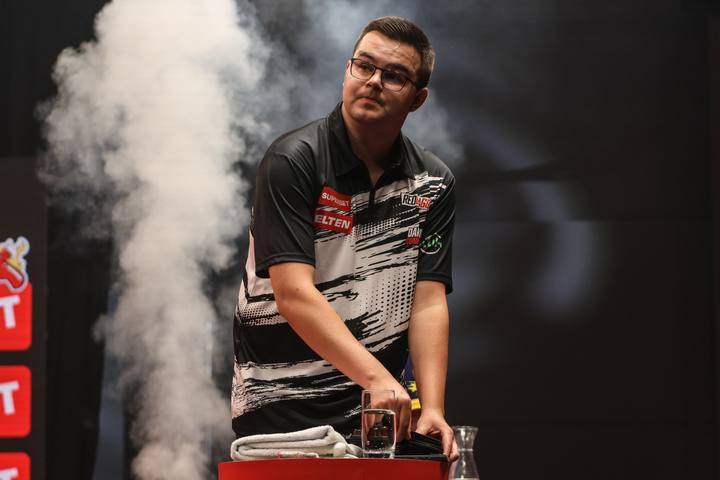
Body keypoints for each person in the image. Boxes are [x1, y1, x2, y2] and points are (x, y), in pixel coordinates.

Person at [231, 16, 458, 461]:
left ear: (418, 99)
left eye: (394, 75)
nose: (373, 82)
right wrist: (376, 377)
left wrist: (432, 407)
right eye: (364, 66)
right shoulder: (293, 160)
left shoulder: (433, 182)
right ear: (347, 70)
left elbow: (428, 301)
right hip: (280, 410)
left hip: (379, 414)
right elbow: (293, 294)